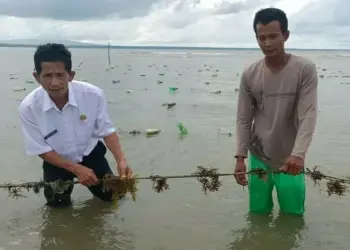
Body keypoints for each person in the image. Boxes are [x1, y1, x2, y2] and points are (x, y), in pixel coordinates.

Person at [18, 43, 133, 207]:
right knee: (57, 206)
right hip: (56, 161)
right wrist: (76, 169)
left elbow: (106, 130)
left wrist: (121, 160)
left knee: (112, 198)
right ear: (37, 77)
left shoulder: (93, 95)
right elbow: (40, 149)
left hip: (91, 153)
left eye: (60, 75)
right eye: (48, 76)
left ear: (70, 75)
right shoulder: (28, 107)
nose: (55, 82)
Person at [234, 8, 318, 215]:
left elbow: (308, 113)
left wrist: (298, 154)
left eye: (273, 36)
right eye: (261, 38)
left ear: (285, 35)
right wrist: (240, 157)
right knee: (258, 213)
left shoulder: (304, 70)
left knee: (293, 214)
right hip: (259, 155)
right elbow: (244, 119)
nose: (267, 43)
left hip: (291, 158)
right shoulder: (250, 74)